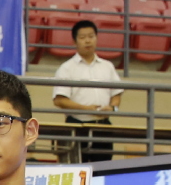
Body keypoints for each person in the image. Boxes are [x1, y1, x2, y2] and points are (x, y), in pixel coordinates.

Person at [50, 19, 122, 163]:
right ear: (74, 42)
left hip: (103, 125)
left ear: (96, 38)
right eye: (82, 37)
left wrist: (112, 107)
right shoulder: (67, 68)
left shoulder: (107, 66)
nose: (88, 41)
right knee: (76, 168)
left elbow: (117, 93)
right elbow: (59, 100)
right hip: (77, 125)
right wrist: (86, 109)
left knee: (103, 168)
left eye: (91, 36)